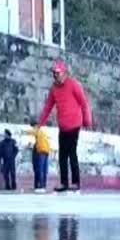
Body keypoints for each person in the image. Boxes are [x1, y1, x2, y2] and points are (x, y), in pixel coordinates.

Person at [38, 60, 92, 194]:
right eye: (53, 73)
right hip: (63, 126)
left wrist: (87, 120)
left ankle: (75, 183)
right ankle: (64, 183)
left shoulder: (73, 84)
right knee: (62, 155)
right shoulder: (54, 89)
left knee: (71, 153)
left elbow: (84, 103)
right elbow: (48, 107)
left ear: (64, 73)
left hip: (74, 124)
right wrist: (40, 123)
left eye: (57, 73)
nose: (55, 76)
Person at [26, 121, 50, 193]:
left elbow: (32, 132)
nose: (33, 128)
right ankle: (43, 185)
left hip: (41, 152)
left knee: (40, 170)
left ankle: (40, 186)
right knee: (44, 170)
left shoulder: (38, 131)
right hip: (46, 152)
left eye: (33, 126)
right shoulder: (43, 133)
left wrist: (23, 132)